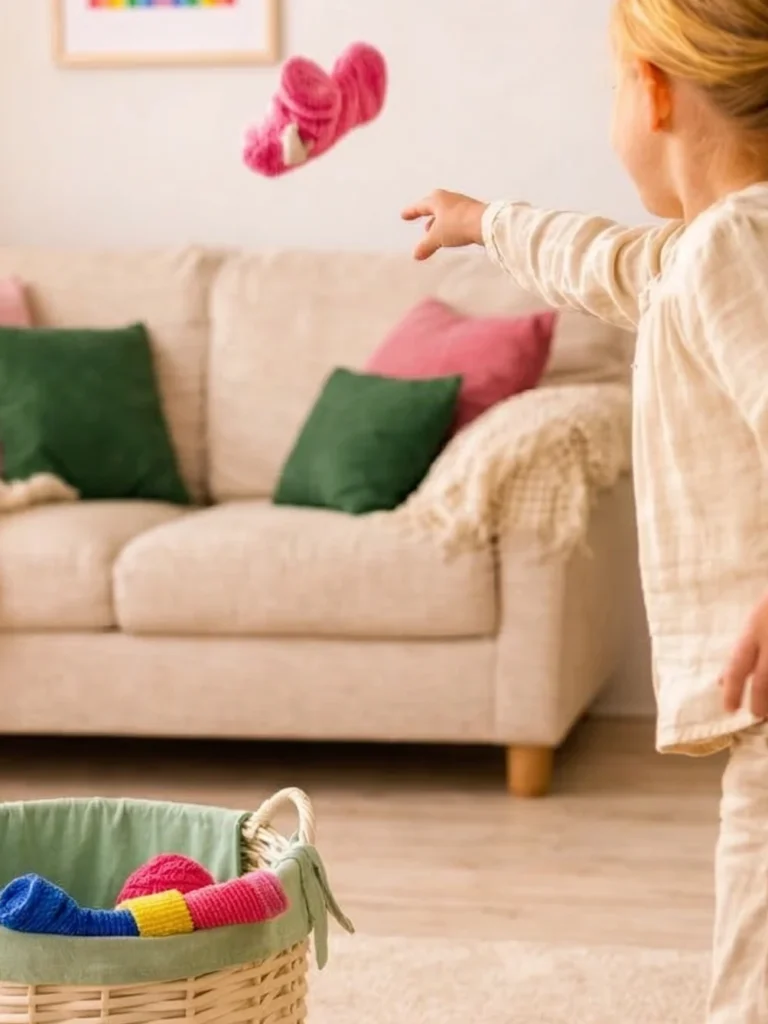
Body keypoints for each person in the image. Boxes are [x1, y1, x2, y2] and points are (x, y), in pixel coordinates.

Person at [402, 1, 768, 1020]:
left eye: (612, 86)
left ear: (652, 90)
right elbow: (609, 263)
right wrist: (485, 222)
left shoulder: (737, 242)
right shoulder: (713, 249)